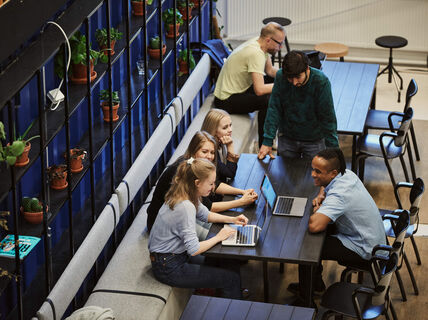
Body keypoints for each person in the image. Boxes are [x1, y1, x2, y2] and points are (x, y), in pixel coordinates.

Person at [288, 148, 386, 306]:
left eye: (318, 171)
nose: (313, 174)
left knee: (307, 250)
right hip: (372, 238)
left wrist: (317, 211)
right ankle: (315, 284)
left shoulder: (340, 195)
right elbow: (329, 192)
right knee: (316, 241)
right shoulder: (347, 174)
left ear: (333, 173)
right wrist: (322, 196)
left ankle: (306, 302)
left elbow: (315, 225)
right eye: (313, 169)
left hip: (364, 247)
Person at [148, 158, 248, 299]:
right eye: (211, 183)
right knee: (230, 279)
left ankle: (226, 301)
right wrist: (219, 236)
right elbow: (194, 249)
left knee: (228, 260)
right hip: (169, 266)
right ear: (197, 183)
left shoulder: (185, 193)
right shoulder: (185, 206)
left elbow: (205, 215)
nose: (213, 187)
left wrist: (232, 219)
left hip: (172, 257)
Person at [146, 131, 257, 232]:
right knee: (217, 233)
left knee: (224, 228)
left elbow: (215, 185)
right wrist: (241, 202)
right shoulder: (185, 170)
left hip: (183, 215)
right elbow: (209, 207)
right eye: (204, 152)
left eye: (212, 152)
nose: (209, 156)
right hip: (162, 226)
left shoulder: (195, 163)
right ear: (194, 151)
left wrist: (242, 192)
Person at [213, 22, 286, 146]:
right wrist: (286, 85)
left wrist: (289, 76)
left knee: (277, 82)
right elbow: (260, 90)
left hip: (240, 90)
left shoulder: (260, 44)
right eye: (279, 43)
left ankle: (277, 132)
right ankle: (264, 144)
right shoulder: (255, 53)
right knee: (267, 100)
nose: (281, 47)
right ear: (269, 40)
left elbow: (270, 71)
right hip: (226, 100)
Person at [258, 50, 339, 160]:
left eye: (298, 77)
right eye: (290, 78)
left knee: (313, 175)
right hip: (287, 138)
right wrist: (267, 140)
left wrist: (333, 150)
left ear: (307, 69)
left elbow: (328, 117)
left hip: (314, 140)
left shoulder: (321, 82)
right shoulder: (281, 76)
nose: (294, 82)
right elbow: (274, 109)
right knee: (285, 175)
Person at [201, 109, 240, 183]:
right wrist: (230, 146)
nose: (230, 130)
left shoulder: (220, 142)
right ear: (214, 131)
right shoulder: (209, 151)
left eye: (230, 125)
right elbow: (230, 174)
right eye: (225, 127)